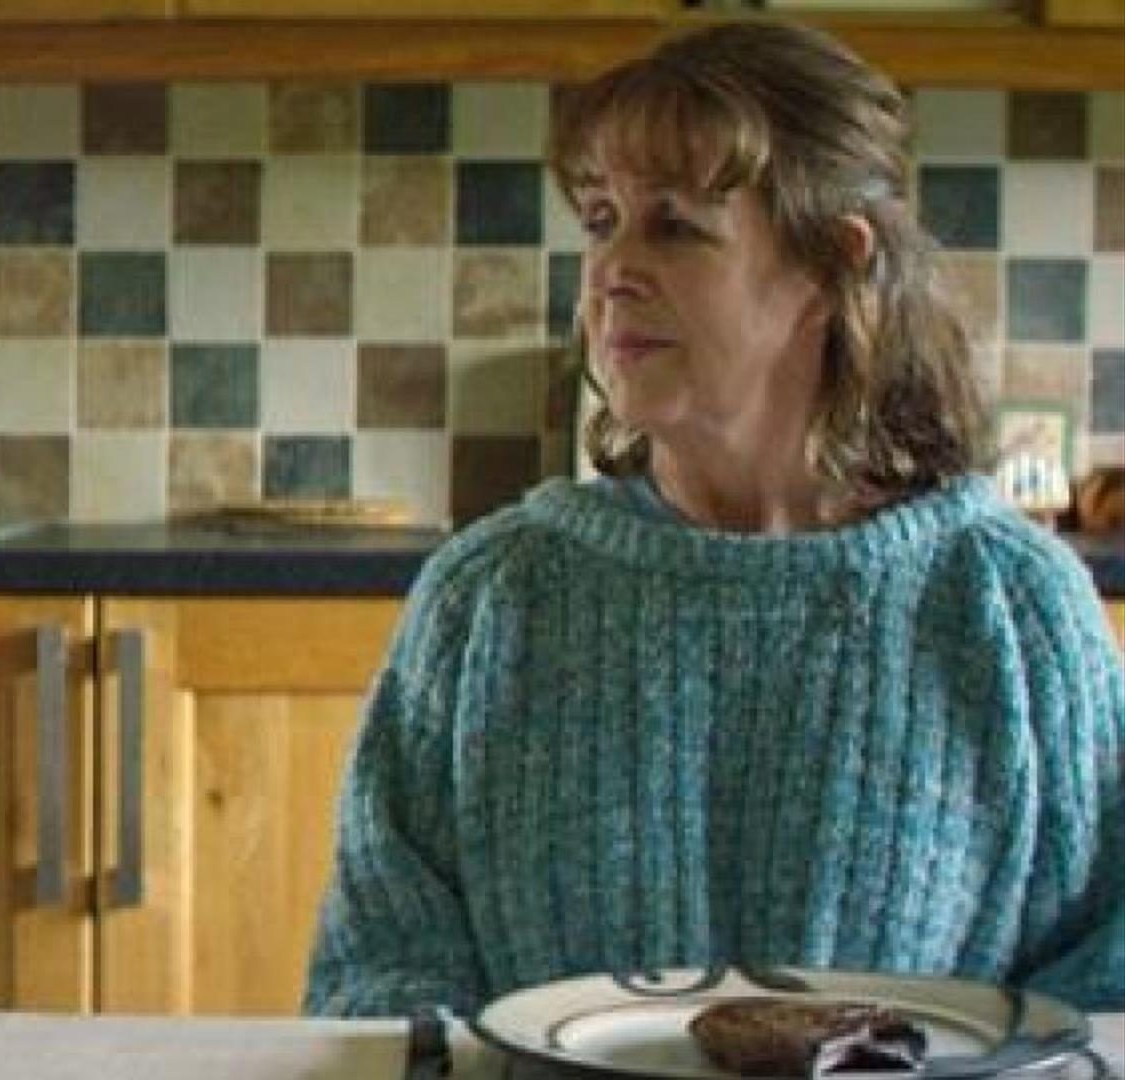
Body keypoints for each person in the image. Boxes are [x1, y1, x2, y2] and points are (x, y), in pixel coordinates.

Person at [303, 19, 1125, 1017]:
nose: (612, 270)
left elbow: (1104, 988)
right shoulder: (489, 601)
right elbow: (382, 976)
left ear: (831, 266)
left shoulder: (1009, 609)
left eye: (677, 225)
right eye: (602, 219)